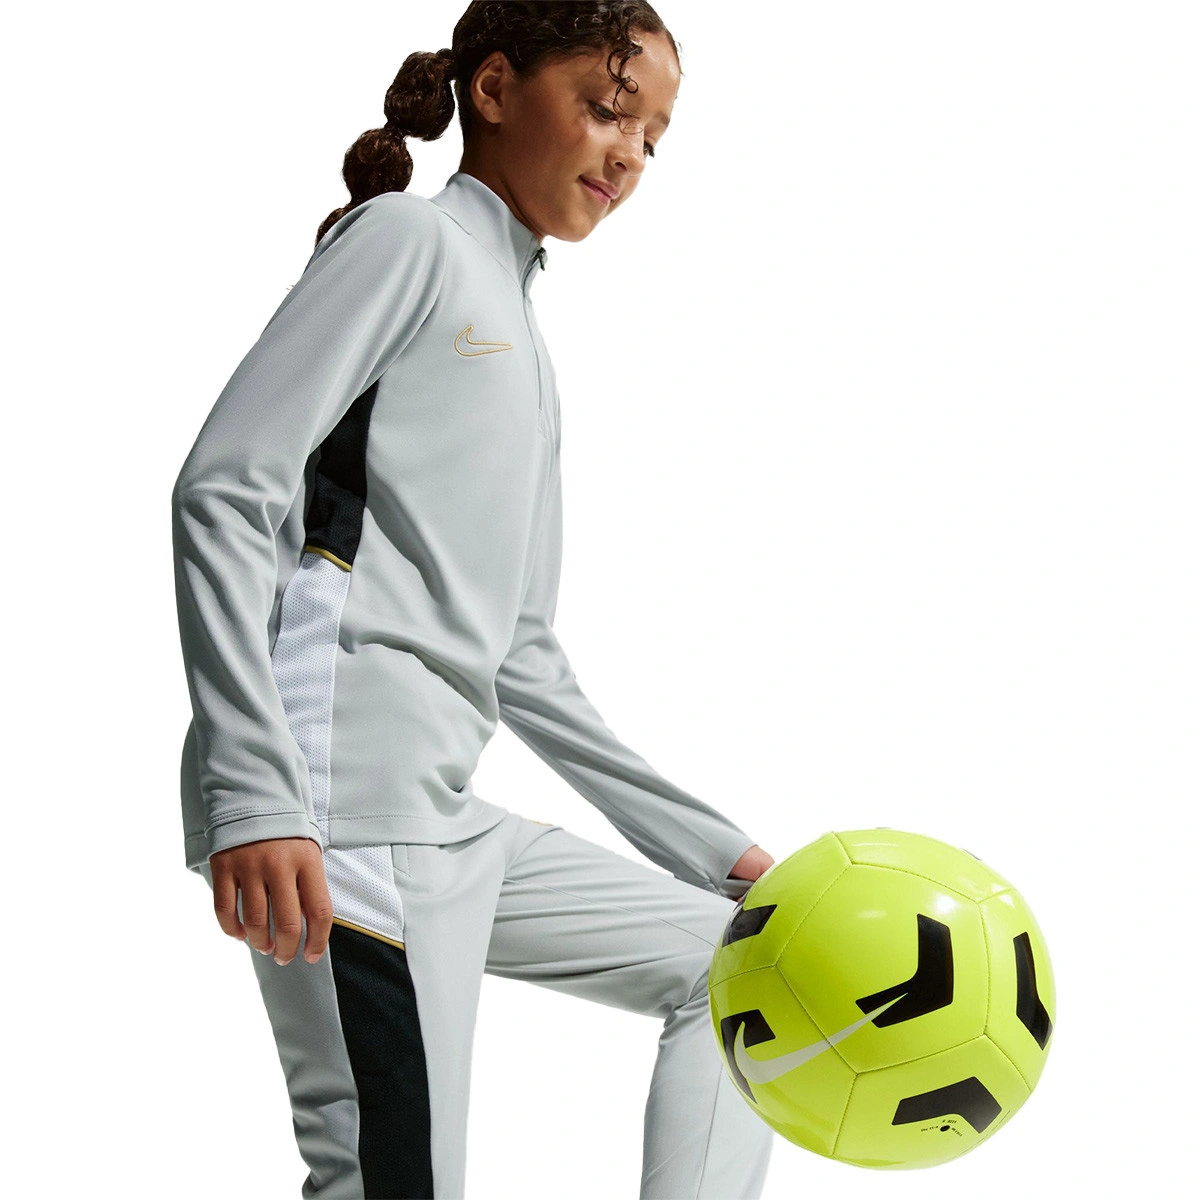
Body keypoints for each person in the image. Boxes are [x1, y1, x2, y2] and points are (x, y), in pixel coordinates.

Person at [171, 3, 776, 1196]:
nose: (628, 155)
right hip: (338, 805)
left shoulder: (519, 325)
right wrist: (256, 792)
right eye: (607, 110)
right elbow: (225, 490)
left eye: (652, 139)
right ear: (492, 90)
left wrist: (723, 857)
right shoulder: (409, 241)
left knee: (748, 966)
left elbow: (522, 656)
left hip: (440, 817)